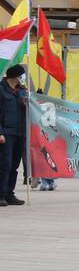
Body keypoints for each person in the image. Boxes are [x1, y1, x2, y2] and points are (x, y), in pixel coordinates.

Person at [0, 65, 28, 207]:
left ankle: (10, 194)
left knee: (15, 166)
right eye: (21, 75)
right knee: (5, 164)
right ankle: (1, 195)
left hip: (20, 133)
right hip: (6, 133)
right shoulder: (1, 89)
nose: (23, 78)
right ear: (15, 76)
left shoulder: (22, 91)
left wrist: (34, 100)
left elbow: (30, 108)